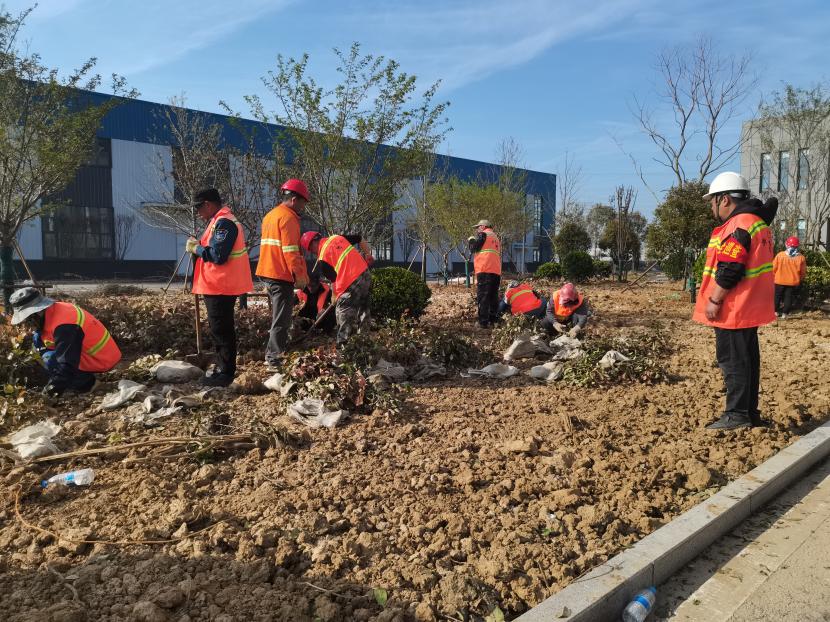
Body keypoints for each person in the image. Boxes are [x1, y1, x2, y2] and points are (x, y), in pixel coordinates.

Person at [693, 172, 777, 430]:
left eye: (712, 201)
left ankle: (737, 414)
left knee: (733, 362)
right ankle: (749, 413)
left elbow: (731, 267)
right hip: (749, 308)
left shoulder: (738, 225)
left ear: (725, 199)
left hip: (733, 309)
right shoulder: (757, 223)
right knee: (748, 361)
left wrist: (714, 300)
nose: (712, 208)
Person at [187, 188, 254, 387]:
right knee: (219, 329)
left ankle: (226, 372)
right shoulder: (218, 221)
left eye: (199, 208)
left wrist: (196, 248)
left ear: (208, 204)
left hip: (221, 286)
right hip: (216, 285)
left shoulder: (225, 223)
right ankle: (222, 368)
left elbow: (218, 255)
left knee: (221, 329)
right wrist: (198, 246)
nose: (198, 213)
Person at [9, 287, 121, 396]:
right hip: (88, 352)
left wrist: (52, 390)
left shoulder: (65, 326)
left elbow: (67, 364)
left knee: (50, 358)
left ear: (37, 312)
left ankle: (88, 384)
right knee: (38, 339)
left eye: (28, 319)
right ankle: (70, 379)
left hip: (102, 359)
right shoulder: (53, 311)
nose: (27, 324)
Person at [256, 179, 310, 369]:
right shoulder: (288, 218)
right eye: (303, 202)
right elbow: (291, 251)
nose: (303, 207)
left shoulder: (271, 215)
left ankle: (274, 353)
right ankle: (274, 358)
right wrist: (299, 276)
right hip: (280, 275)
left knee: (278, 316)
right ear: (294, 200)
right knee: (282, 319)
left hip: (268, 272)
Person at [300, 231, 374, 345]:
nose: (313, 252)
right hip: (365, 274)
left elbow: (334, 281)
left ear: (313, 244)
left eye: (311, 250)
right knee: (363, 307)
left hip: (350, 281)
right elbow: (359, 238)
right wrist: (368, 254)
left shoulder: (323, 259)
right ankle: (364, 341)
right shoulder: (337, 238)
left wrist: (334, 297)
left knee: (342, 310)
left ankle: (343, 344)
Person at [468, 219, 502, 328]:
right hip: (496, 270)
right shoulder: (496, 238)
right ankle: (493, 321)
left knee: (483, 296)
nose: (477, 230)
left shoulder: (483, 234)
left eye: (478, 227)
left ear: (483, 227)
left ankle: (483, 322)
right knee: (493, 296)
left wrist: (471, 240)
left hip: (485, 269)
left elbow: (473, 248)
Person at [772, 236, 807, 319]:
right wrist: (800, 279)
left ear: (786, 244)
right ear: (797, 246)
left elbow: (773, 268)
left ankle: (775, 312)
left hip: (779, 281)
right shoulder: (801, 258)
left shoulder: (780, 255)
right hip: (792, 282)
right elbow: (803, 272)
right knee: (788, 298)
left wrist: (773, 276)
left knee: (777, 297)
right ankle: (785, 314)